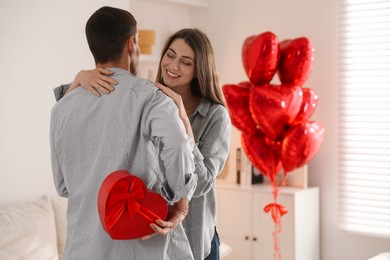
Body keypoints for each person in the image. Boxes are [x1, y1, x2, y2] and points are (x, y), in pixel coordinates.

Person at [56, 28, 232, 260]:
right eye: (170, 55)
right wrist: (79, 79)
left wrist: (185, 129)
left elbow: (202, 184)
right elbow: (86, 106)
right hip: (153, 238)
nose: (173, 65)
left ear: (199, 71)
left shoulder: (215, 115)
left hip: (195, 238)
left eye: (186, 62)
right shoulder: (149, 98)